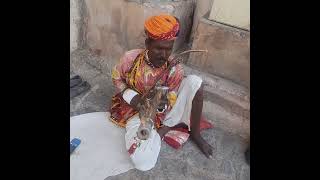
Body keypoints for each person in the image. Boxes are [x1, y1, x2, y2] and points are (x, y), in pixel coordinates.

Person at [109, 14, 213, 171]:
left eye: (168, 49)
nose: (164, 55)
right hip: (136, 111)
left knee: (195, 83)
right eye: (159, 48)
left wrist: (163, 105)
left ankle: (194, 133)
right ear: (147, 43)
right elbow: (117, 79)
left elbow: (171, 98)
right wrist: (134, 98)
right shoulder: (130, 58)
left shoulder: (174, 68)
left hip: (163, 112)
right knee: (143, 162)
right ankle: (162, 131)